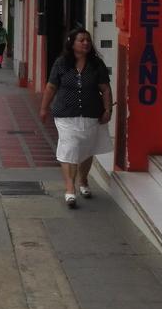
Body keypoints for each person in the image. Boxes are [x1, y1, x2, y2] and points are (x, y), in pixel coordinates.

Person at [39, 28, 113, 208]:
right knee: (69, 148)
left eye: (88, 40)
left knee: (87, 149)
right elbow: (51, 87)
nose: (86, 43)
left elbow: (105, 89)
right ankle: (70, 189)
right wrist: (44, 108)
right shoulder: (62, 63)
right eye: (81, 40)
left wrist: (107, 109)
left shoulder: (96, 64)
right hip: (66, 114)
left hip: (91, 113)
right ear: (72, 43)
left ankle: (83, 181)